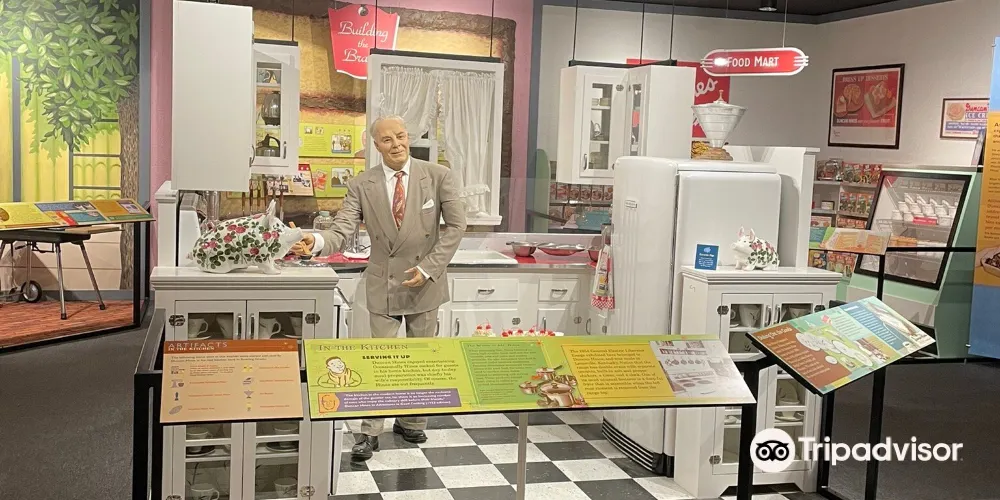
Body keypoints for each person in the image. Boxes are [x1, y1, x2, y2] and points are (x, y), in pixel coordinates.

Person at [290, 115, 466, 461]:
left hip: (425, 282)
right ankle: (370, 431)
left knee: (420, 360)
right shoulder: (362, 184)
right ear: (377, 145)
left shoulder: (438, 176)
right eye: (387, 140)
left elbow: (457, 226)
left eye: (400, 136)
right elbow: (342, 229)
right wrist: (315, 241)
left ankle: (412, 421)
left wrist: (428, 268)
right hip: (384, 283)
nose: (396, 144)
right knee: (380, 359)